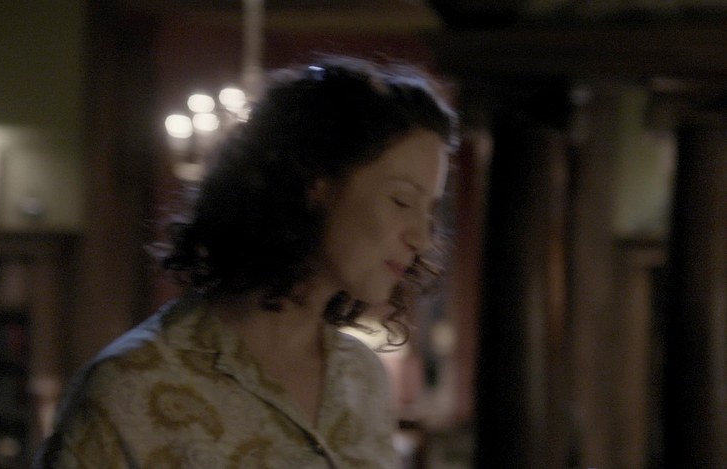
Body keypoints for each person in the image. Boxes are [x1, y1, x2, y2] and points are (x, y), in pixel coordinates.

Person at [34, 55, 458, 468]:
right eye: (401, 200)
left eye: (430, 210)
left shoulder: (361, 377)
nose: (421, 237)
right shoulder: (131, 387)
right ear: (317, 183)